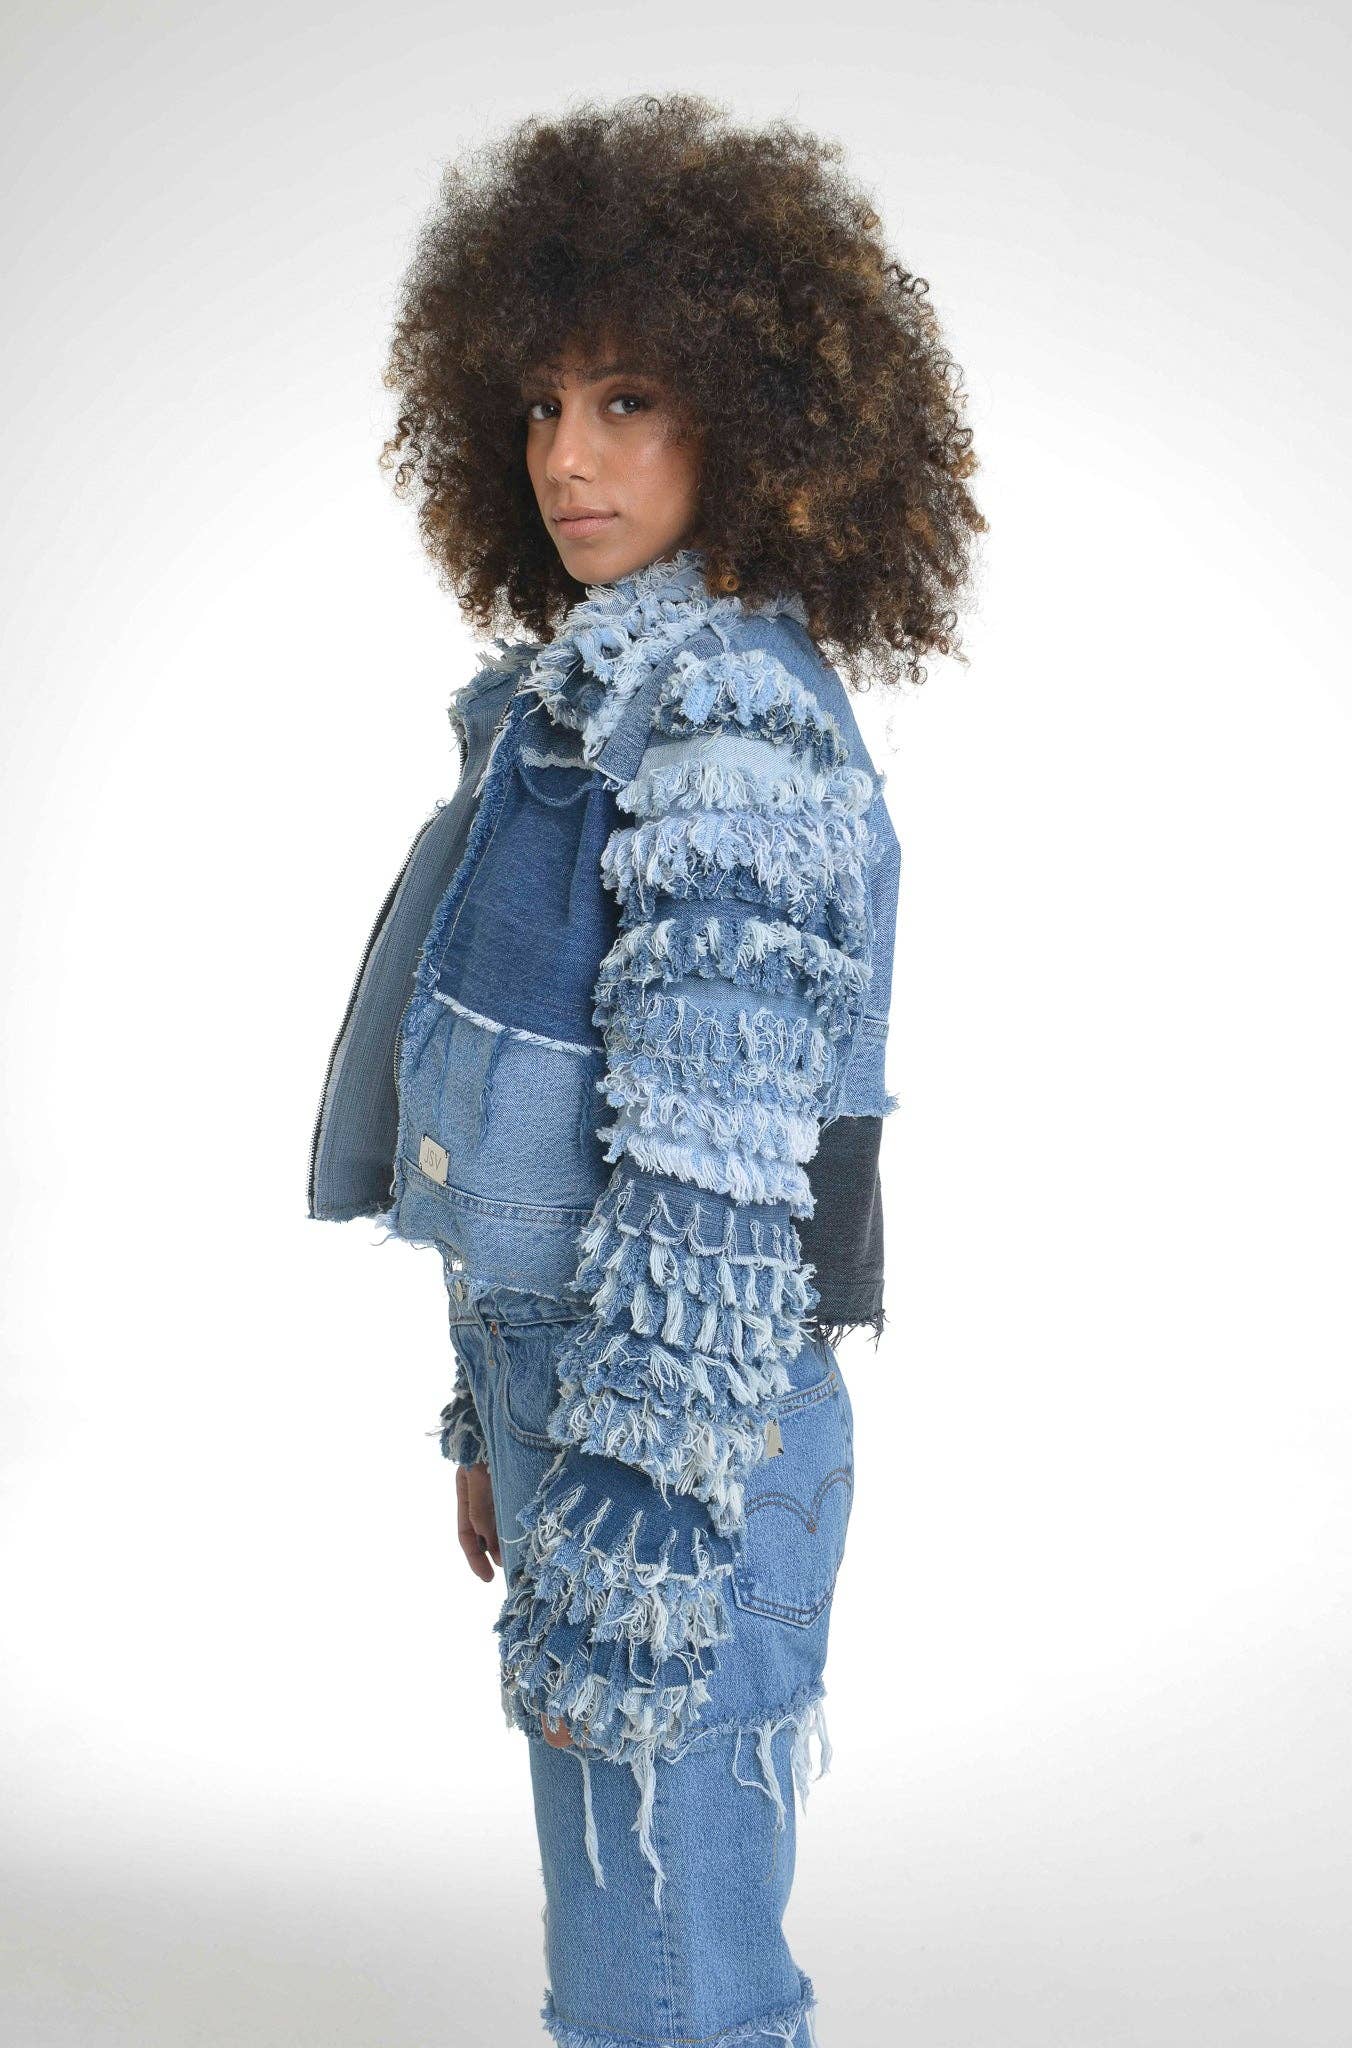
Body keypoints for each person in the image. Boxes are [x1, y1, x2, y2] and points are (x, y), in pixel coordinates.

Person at [307, 90, 985, 2048]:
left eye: (627, 401)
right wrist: (488, 1415)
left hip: (682, 1445)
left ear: (758, 424)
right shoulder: (588, 697)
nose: (565, 457)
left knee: (669, 1973)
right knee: (634, 1929)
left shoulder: (727, 727)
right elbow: (527, 1138)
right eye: (538, 406)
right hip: (582, 1408)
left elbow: (711, 1188)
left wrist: (632, 1524)